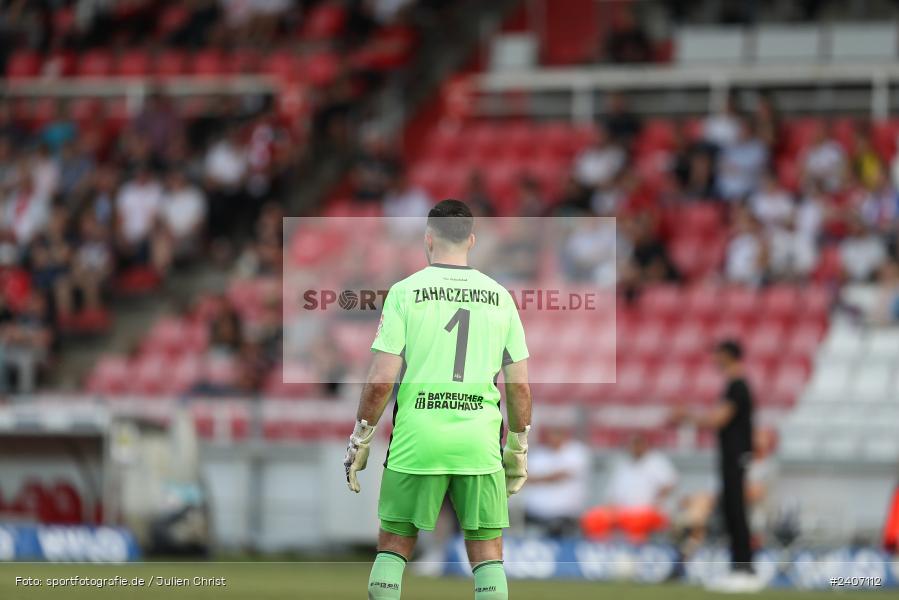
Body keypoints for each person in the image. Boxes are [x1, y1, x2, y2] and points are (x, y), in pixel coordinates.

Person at [343, 200, 531, 600]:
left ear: (428, 238)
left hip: (417, 437)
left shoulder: (404, 292)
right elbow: (519, 387)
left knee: (394, 544)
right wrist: (517, 449)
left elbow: (380, 381)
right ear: (472, 241)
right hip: (479, 440)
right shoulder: (501, 297)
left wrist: (361, 438)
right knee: (487, 552)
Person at [669, 340, 760, 592]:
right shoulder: (734, 385)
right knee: (731, 512)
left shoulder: (738, 386)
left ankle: (744, 569)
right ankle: (739, 568)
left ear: (728, 356)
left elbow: (718, 419)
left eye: (718, 355)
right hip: (731, 456)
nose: (715, 360)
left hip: (736, 457)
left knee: (736, 512)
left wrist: (687, 416)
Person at [581, 433, 676, 542]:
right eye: (633, 445)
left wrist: (657, 501)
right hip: (624, 512)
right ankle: (600, 548)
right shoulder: (623, 466)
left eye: (638, 444)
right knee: (594, 517)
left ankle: (636, 548)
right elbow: (612, 495)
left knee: (637, 521)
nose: (635, 448)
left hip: (649, 511)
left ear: (645, 445)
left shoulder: (656, 462)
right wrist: (610, 510)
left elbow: (669, 484)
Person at [523, 424, 591, 538]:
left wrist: (538, 478)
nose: (553, 439)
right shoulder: (539, 454)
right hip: (535, 512)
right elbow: (524, 478)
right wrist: (547, 478)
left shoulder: (576, 451)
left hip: (565, 513)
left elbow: (561, 475)